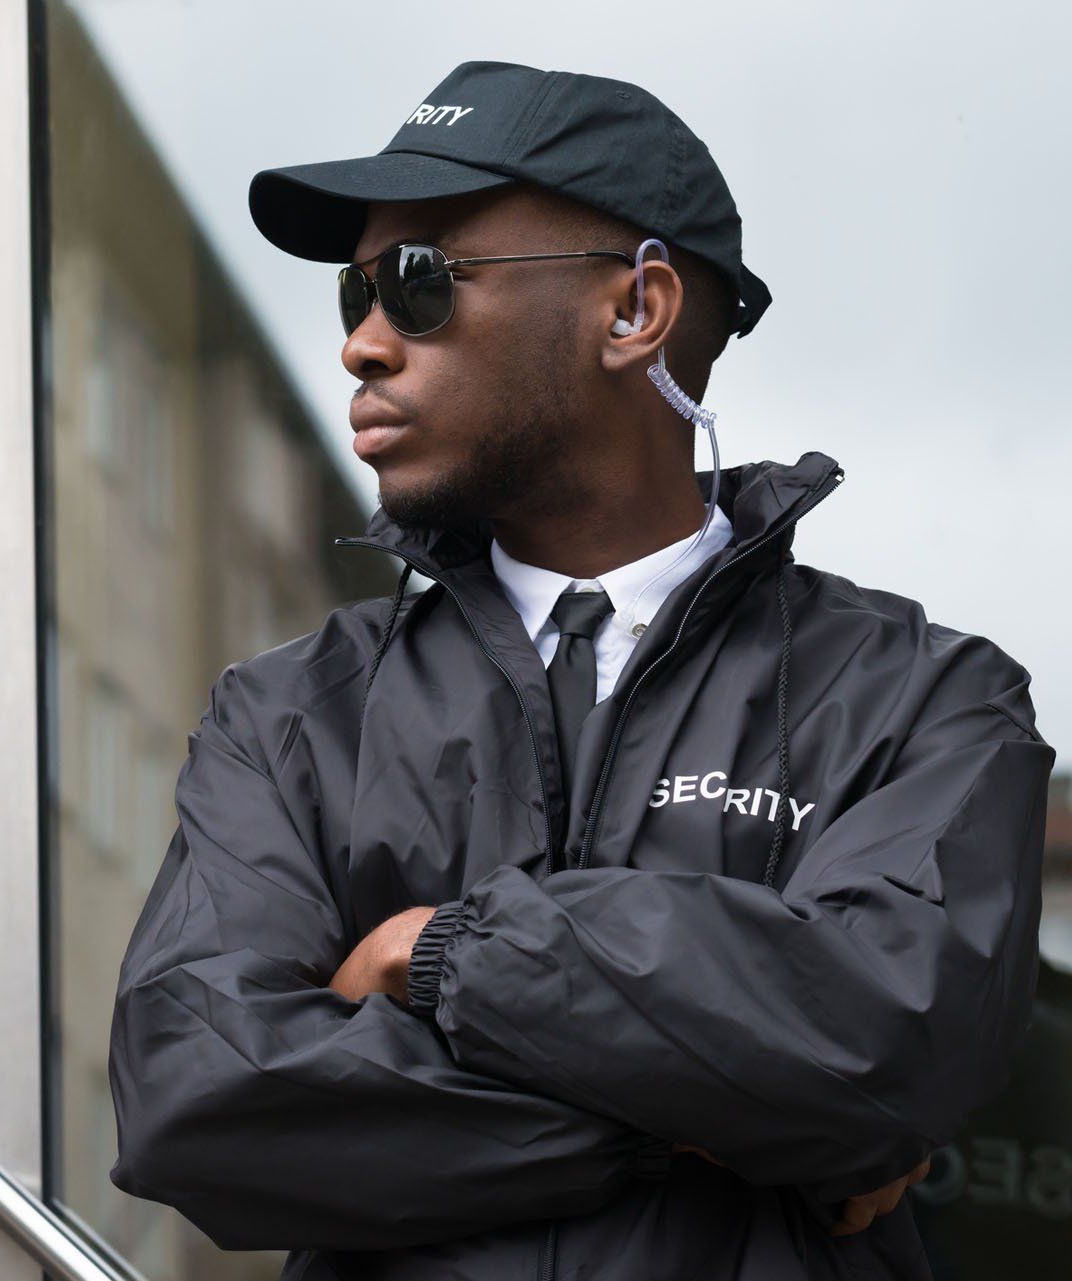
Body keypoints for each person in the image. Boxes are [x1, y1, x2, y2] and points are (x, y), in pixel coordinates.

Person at [106, 60, 1057, 1280]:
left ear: (635, 311)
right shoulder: (291, 717)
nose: (361, 344)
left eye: (419, 282)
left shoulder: (922, 699)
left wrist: (446, 953)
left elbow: (894, 1042)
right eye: (355, 291)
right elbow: (204, 1092)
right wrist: (732, 1123)